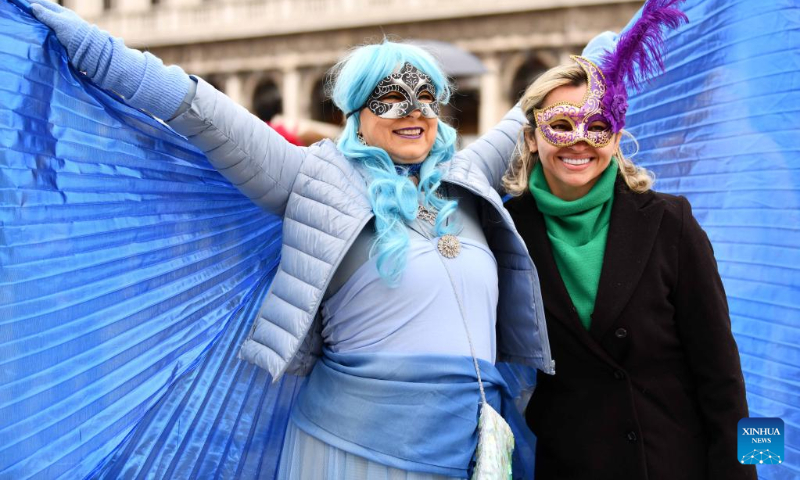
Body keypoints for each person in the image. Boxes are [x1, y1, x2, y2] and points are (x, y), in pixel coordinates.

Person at [26, 1, 552, 478]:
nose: (414, 112)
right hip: (356, 452)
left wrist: (622, 47)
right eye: (392, 99)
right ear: (357, 117)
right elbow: (197, 109)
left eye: (428, 99)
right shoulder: (312, 178)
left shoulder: (469, 176)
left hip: (470, 450)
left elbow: (539, 106)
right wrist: (84, 41)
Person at [502, 1, 757, 478]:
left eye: (598, 127)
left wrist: (749, 471)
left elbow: (726, 379)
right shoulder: (505, 230)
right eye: (560, 124)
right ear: (533, 137)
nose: (580, 140)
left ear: (616, 139)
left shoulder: (670, 223)